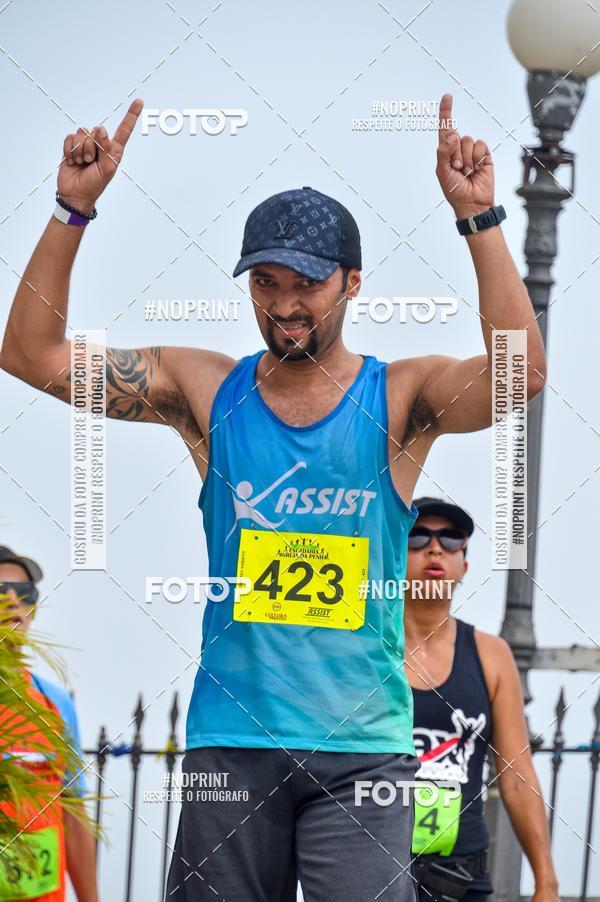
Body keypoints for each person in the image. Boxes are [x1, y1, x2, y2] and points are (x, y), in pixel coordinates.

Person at [0, 91, 546, 901]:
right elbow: (28, 355)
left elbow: (520, 375)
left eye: (308, 284)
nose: (285, 306)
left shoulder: (398, 401)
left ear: (353, 283)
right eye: (267, 282)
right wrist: (70, 212)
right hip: (232, 745)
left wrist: (481, 221)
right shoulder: (205, 390)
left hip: (363, 755)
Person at [404, 498, 558, 902]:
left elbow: (518, 776)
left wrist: (546, 883)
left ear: (464, 566)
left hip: (459, 878)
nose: (435, 549)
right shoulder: (362, 649)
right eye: (417, 537)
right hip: (368, 870)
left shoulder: (491, 655)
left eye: (451, 540)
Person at [0, 546, 98, 902]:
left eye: (25, 595)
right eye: (0, 592)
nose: (14, 603)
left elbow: (74, 814)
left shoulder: (55, 702)